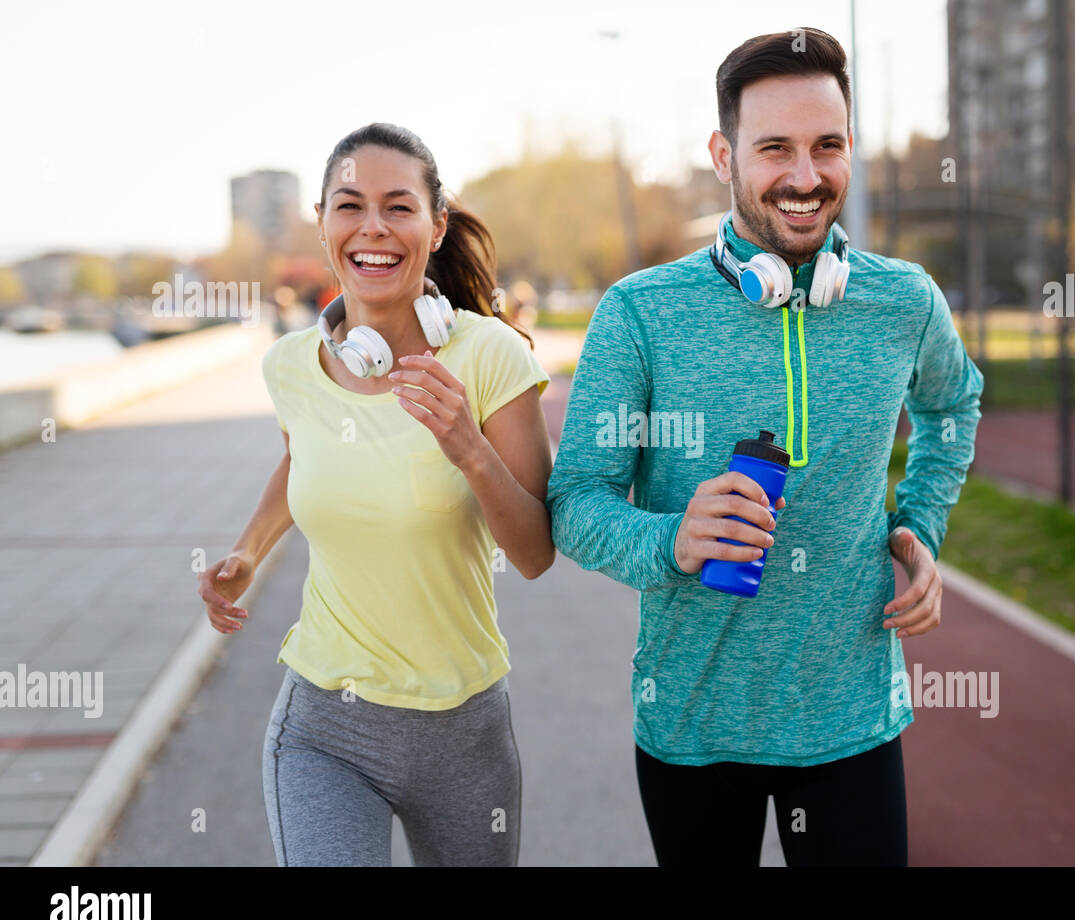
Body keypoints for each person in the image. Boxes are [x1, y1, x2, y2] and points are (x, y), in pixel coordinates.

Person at [546, 28, 984, 866]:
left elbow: (953, 403)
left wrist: (918, 528)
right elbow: (575, 502)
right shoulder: (641, 313)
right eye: (774, 148)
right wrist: (667, 539)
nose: (805, 177)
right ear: (723, 154)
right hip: (691, 725)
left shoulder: (904, 302)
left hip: (852, 721)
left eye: (828, 147)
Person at [196, 122, 554, 866]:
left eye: (398, 206)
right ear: (324, 225)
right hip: (325, 728)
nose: (373, 228)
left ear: (436, 225)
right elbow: (301, 462)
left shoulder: (490, 357)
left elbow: (534, 553)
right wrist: (247, 551)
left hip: (465, 733)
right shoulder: (291, 366)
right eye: (350, 205)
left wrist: (469, 448)